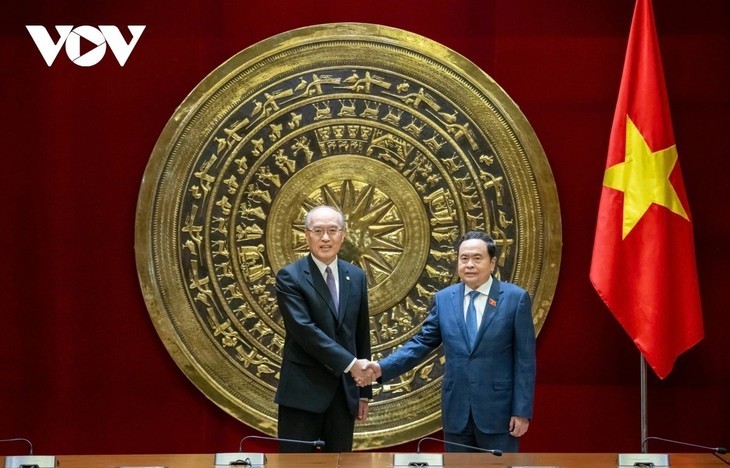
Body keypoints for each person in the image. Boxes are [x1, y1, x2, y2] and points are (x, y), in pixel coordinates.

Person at [365, 231, 536, 453]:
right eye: (464, 258)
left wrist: (521, 411)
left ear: (492, 263)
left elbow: (525, 361)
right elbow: (421, 343)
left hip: (499, 414)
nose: (469, 265)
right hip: (457, 411)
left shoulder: (515, 298)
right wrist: (381, 368)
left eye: (477, 258)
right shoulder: (444, 299)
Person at [274, 205, 373, 452]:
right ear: (307, 235)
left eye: (332, 230)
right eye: (318, 231)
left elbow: (360, 334)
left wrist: (364, 392)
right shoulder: (290, 277)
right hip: (302, 393)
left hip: (343, 394)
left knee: (340, 464)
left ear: (343, 234)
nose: (325, 238)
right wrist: (352, 365)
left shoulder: (357, 276)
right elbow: (305, 331)